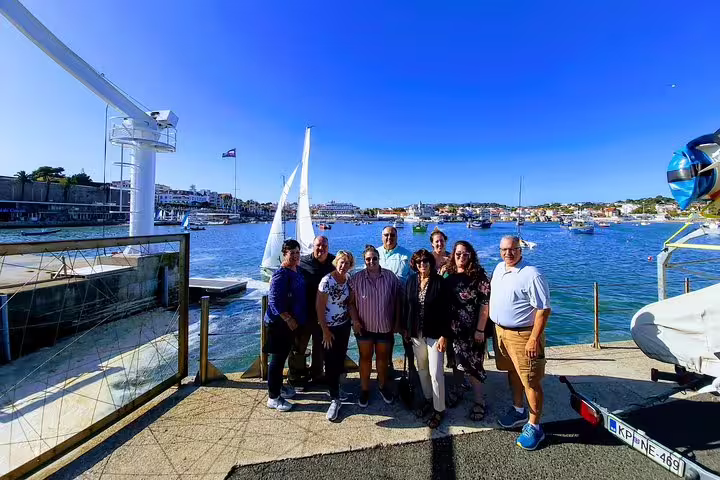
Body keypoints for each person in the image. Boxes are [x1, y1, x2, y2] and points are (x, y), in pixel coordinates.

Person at [490, 235, 551, 450]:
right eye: (504, 249)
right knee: (513, 373)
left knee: (530, 380)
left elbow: (543, 310)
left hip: (523, 335)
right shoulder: (499, 269)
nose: (508, 253)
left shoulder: (532, 274)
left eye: (513, 249)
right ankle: (518, 410)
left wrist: (534, 339)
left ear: (520, 249)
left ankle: (535, 426)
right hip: (500, 332)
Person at [444, 240, 491, 422]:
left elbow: (485, 304)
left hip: (473, 329)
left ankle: (479, 401)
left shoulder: (478, 275)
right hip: (453, 329)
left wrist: (480, 329)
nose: (461, 257)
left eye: (465, 254)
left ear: (471, 255)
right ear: (453, 255)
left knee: (474, 365)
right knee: (456, 362)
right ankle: (458, 389)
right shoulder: (449, 273)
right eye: (458, 254)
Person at [350, 245, 402, 407]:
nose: (371, 261)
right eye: (368, 259)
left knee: (382, 359)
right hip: (364, 327)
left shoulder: (390, 277)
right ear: (364, 260)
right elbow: (350, 303)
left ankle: (382, 386)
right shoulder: (357, 278)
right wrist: (355, 321)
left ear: (379, 259)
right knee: (365, 359)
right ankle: (364, 389)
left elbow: (398, 300)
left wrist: (397, 321)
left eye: (374, 258)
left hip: (385, 326)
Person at [404, 249, 450, 428]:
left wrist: (445, 335)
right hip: (416, 333)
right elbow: (406, 306)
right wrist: (406, 330)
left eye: (425, 261)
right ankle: (428, 400)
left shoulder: (440, 283)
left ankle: (439, 409)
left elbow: (447, 310)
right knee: (422, 369)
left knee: (436, 373)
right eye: (418, 262)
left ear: (430, 262)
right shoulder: (410, 281)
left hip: (435, 334)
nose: (422, 265)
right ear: (414, 265)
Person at [264, 239, 306, 412]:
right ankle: (273, 398)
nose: (295, 256)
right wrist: (288, 319)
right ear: (284, 254)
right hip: (279, 324)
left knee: (282, 358)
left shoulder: (296, 270)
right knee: (277, 360)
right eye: (291, 253)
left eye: (297, 252)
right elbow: (274, 301)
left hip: (289, 325)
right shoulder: (281, 274)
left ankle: (279, 388)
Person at [291, 235, 335, 389]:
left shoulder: (334, 262)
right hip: (304, 313)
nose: (321, 249)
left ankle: (317, 375)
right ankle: (296, 376)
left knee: (320, 346)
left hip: (324, 314)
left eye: (324, 246)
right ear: (313, 246)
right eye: (318, 246)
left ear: (328, 247)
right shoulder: (302, 262)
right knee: (300, 346)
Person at [317, 250, 355, 421]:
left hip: (344, 326)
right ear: (336, 262)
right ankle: (334, 400)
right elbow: (319, 307)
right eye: (341, 262)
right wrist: (325, 331)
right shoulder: (326, 281)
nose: (343, 265)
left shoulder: (348, 279)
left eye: (347, 263)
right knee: (330, 363)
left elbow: (350, 302)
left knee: (339, 360)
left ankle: (336, 390)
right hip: (329, 329)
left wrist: (355, 321)